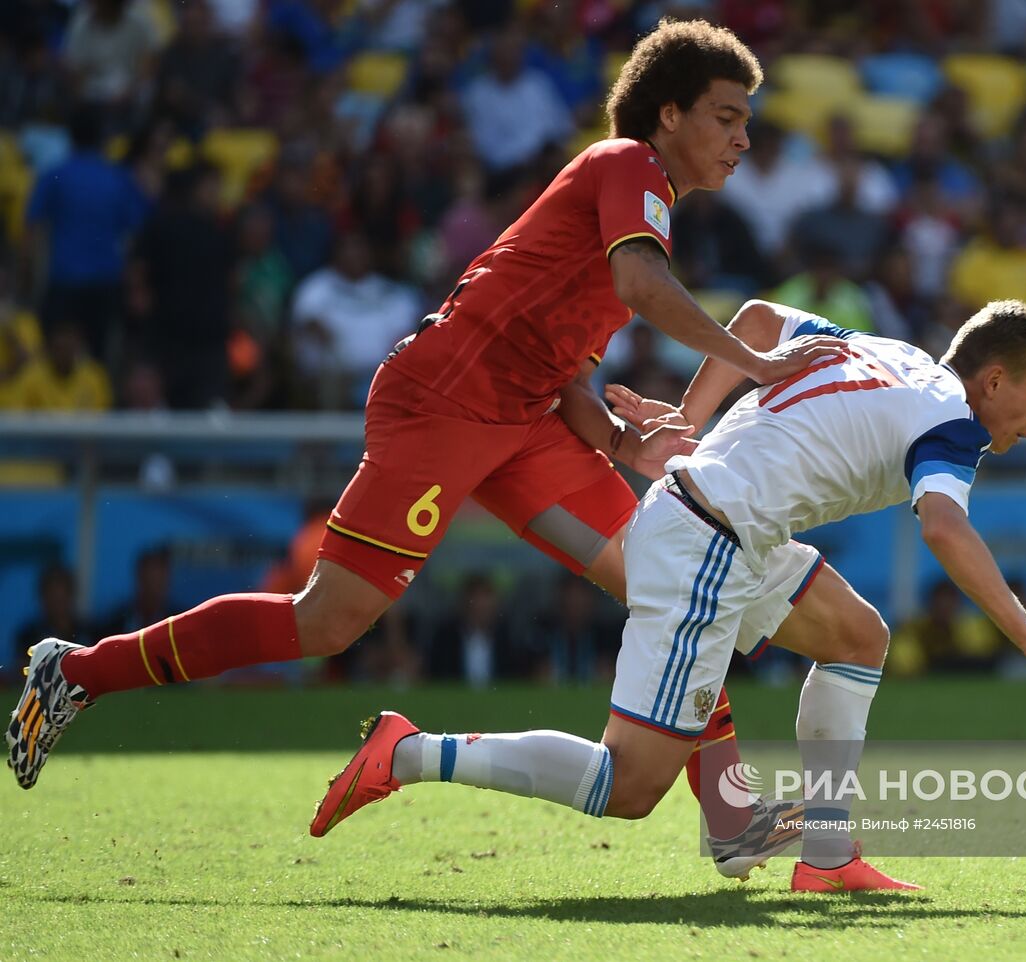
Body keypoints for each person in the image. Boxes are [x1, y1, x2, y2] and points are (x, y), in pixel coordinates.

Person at [7, 19, 876, 883]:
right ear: (670, 113)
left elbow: (570, 367)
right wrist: (753, 360)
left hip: (527, 415)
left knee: (671, 577)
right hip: (448, 399)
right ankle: (77, 670)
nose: (742, 137)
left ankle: (729, 816)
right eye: (727, 116)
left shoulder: (643, 206)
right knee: (329, 620)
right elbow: (640, 287)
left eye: (746, 120)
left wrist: (617, 438)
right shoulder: (627, 168)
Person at [309, 299, 1026, 893]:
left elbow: (758, 320)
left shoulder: (884, 350)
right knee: (627, 789)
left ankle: (827, 859)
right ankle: (408, 752)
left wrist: (687, 421)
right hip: (707, 546)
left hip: (728, 527)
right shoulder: (954, 423)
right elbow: (943, 529)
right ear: (993, 379)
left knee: (859, 637)